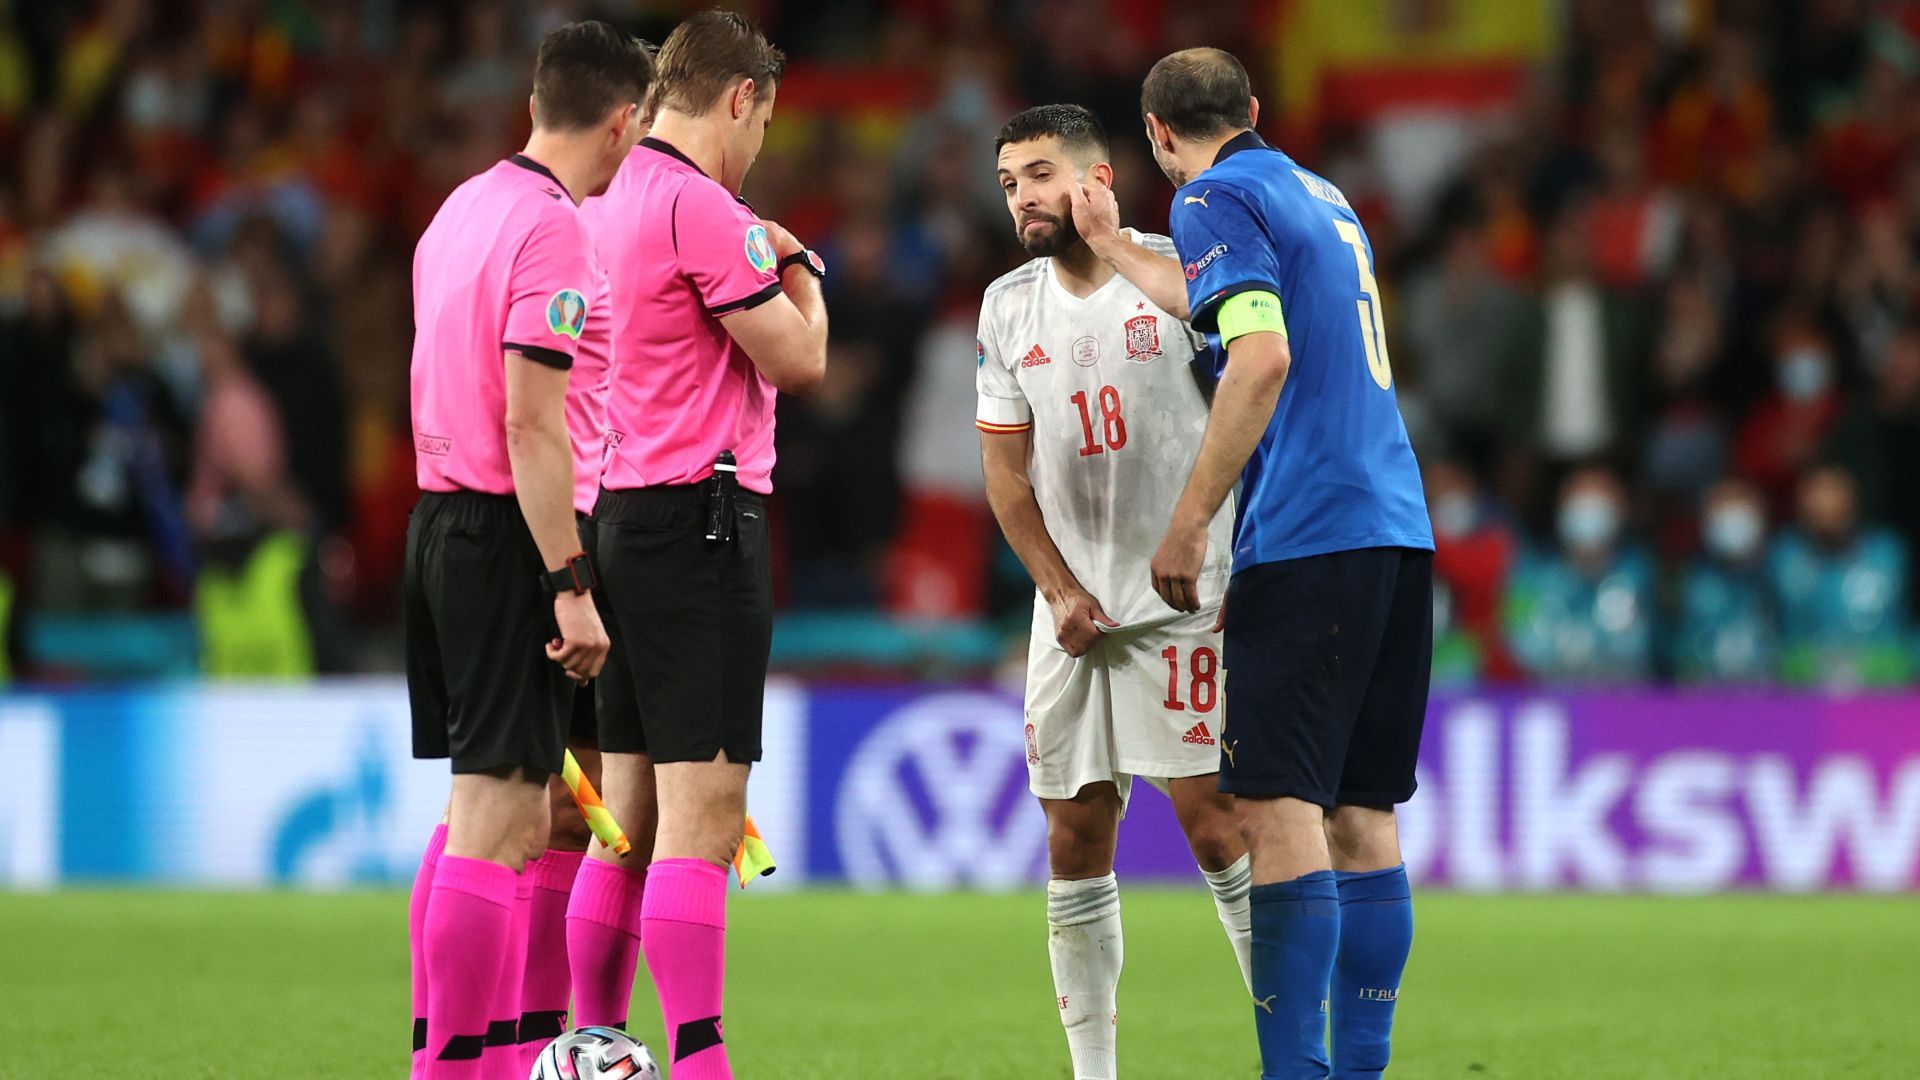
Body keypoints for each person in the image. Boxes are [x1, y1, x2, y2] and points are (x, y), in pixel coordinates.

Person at [1134, 48, 1435, 1079]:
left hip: (1309, 530)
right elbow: (1223, 302)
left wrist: (1189, 523)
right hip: (1395, 526)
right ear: (1252, 109)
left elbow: (1259, 355)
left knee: (1278, 811)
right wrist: (1114, 247)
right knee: (1362, 815)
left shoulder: (1208, 198)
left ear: (1158, 134)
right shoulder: (1321, 196)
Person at [567, 12, 826, 1080]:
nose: (757, 143)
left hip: (618, 516)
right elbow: (800, 361)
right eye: (761, 121)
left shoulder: (602, 198)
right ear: (739, 98)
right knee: (703, 819)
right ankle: (701, 1064)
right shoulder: (704, 208)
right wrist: (803, 269)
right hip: (703, 523)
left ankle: (590, 1045)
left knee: (623, 819)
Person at [976, 103, 1252, 1080]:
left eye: (1040, 175)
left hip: (1186, 596)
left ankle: (1296, 1055)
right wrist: (1055, 590)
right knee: (1074, 834)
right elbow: (1006, 476)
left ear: (1098, 179)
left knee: (1217, 824)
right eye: (1009, 183)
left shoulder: (1178, 272)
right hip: (1074, 616)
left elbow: (1257, 403)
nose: (1022, 198)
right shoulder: (1008, 306)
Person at [402, 21, 641, 1079]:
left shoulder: (460, 208)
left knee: (477, 813)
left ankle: (448, 1056)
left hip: (440, 522)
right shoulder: (556, 233)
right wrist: (569, 584)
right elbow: (531, 423)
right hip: (512, 535)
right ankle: (462, 1072)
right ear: (624, 122)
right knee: (501, 826)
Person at [1503, 466, 1657, 684]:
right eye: (1579, 504)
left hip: (1623, 698)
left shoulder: (1640, 571)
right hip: (1551, 695)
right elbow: (1521, 642)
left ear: (1621, 512)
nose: (1588, 514)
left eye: (1599, 505)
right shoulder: (1529, 572)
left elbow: (1636, 645)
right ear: (1560, 510)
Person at [1675, 478, 1777, 683]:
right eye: (1721, 510)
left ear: (1760, 516)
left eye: (1739, 508)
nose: (1732, 522)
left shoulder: (1781, 573)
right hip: (1708, 697)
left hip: (1774, 696)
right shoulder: (1691, 580)